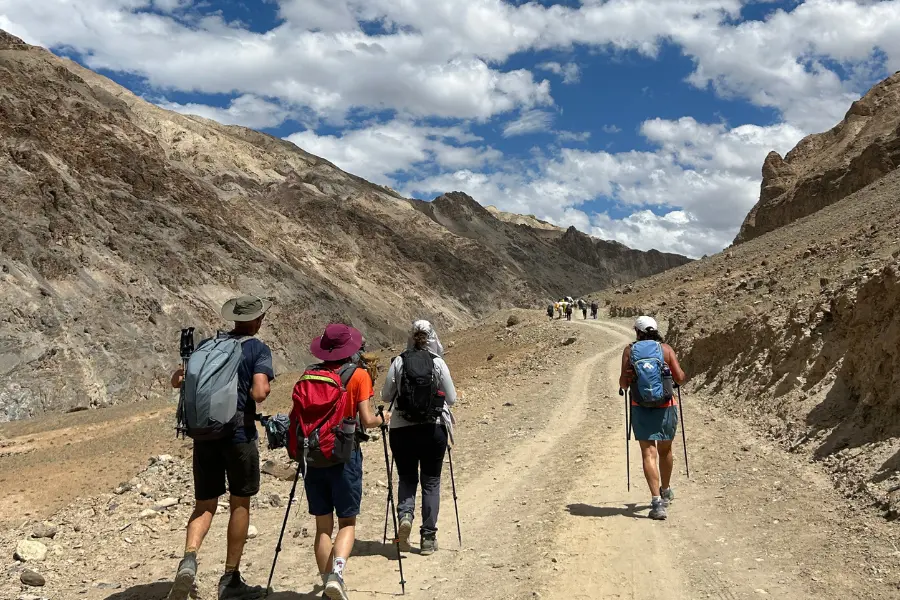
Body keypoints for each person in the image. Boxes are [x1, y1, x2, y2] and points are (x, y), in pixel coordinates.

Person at [168, 295, 275, 600]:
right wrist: (263, 383)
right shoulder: (256, 348)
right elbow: (259, 393)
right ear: (256, 320)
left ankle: (189, 559)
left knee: (205, 504)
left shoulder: (206, 346)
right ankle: (230, 579)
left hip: (204, 436)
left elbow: (178, 379)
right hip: (238, 435)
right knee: (240, 503)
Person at [302, 324, 390, 600]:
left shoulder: (309, 375)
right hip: (344, 455)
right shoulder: (359, 375)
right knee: (347, 522)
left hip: (314, 457)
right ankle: (337, 575)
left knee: (322, 527)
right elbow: (366, 420)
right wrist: (382, 419)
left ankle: (327, 582)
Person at [381, 321, 457, 556]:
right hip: (433, 429)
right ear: (432, 337)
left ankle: (405, 514)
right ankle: (427, 538)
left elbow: (385, 396)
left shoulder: (399, 361)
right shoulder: (438, 362)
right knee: (431, 481)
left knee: (406, 478)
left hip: (402, 430)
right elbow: (452, 398)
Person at [618, 316, 686, 521]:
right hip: (666, 406)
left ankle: (656, 503)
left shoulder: (630, 351)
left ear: (637, 332)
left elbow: (623, 384)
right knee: (665, 450)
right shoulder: (665, 349)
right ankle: (665, 490)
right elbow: (680, 378)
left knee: (649, 453)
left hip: (640, 407)